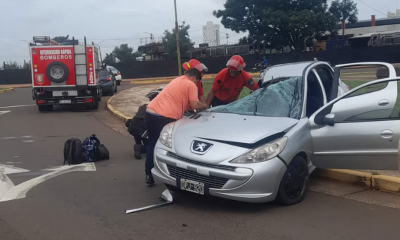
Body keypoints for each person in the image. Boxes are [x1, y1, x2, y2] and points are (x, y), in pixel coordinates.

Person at [144, 60, 208, 185]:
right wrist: (204, 106)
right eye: (197, 80)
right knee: (171, 148)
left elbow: (185, 102)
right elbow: (194, 105)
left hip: (150, 113)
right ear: (194, 77)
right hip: (164, 118)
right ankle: (171, 177)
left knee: (152, 145)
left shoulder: (177, 80)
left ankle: (148, 175)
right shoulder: (191, 85)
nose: (196, 83)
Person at [126, 87, 164, 159]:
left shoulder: (143, 106)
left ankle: (138, 146)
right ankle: (141, 148)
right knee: (150, 146)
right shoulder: (157, 108)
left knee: (138, 137)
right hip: (143, 128)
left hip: (132, 125)